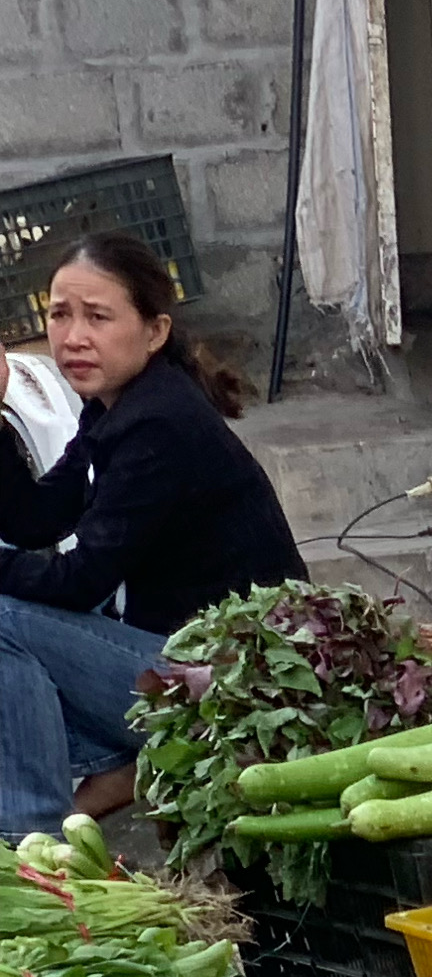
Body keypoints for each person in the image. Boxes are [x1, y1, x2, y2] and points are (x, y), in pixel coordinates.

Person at [0, 232, 302, 833]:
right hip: (179, 664)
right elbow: (35, 519)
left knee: (5, 620)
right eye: (59, 315)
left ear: (155, 331)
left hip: (236, 692)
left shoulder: (158, 425)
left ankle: (26, 835)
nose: (73, 336)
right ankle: (118, 772)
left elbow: (79, 580)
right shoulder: (114, 403)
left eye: (98, 317)